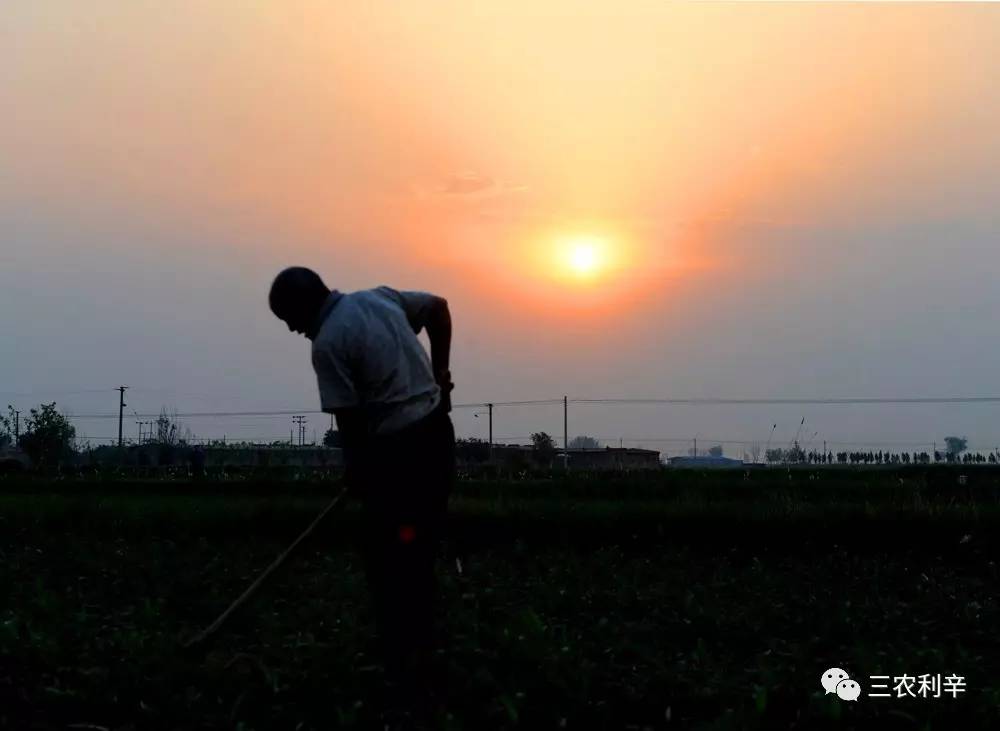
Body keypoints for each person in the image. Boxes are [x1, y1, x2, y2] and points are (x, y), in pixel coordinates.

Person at [268, 266, 455, 725]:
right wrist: (441, 373)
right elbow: (438, 309)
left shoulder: (327, 343)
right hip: (436, 438)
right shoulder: (380, 298)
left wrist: (358, 472)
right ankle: (423, 650)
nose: (293, 330)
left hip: (399, 453)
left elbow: (351, 425)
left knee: (388, 555)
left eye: (290, 319)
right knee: (419, 545)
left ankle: (403, 664)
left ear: (304, 307)